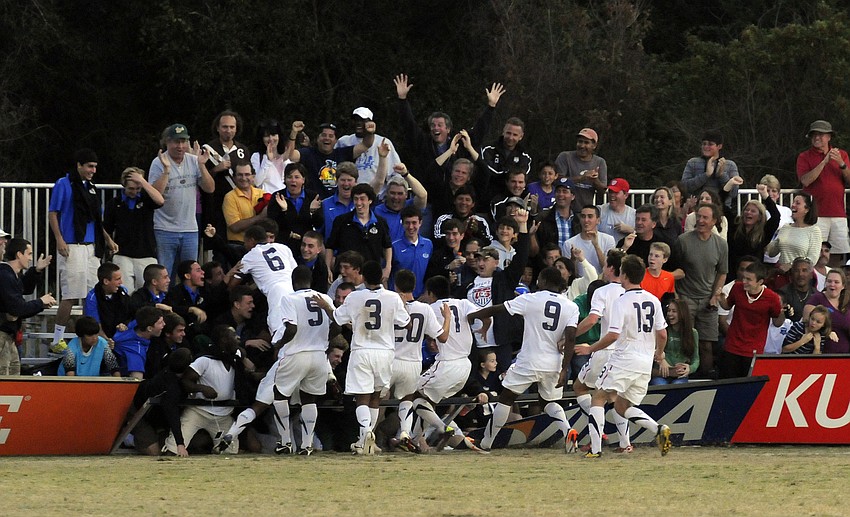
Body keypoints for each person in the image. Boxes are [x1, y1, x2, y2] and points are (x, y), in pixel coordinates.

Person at [471, 267, 580, 452]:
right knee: (549, 403)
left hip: (529, 360)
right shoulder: (571, 306)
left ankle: (486, 442)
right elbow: (570, 338)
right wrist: (564, 369)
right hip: (553, 363)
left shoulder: (531, 299)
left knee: (506, 398)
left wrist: (473, 315)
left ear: (543, 280)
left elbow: (500, 309)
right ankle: (567, 430)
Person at [575, 254, 671, 458]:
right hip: (645, 363)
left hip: (624, 358)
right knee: (621, 405)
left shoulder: (622, 301)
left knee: (598, 398)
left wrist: (590, 349)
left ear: (624, 275)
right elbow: (662, 333)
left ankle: (595, 449)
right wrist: (659, 353)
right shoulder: (653, 300)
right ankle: (658, 429)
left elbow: (613, 335)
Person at [312, 260, 411, 455]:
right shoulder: (392, 297)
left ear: (363, 277)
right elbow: (406, 324)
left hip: (362, 350)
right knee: (375, 396)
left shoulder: (355, 297)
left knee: (361, 398)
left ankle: (365, 433)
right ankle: (366, 439)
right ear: (382, 277)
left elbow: (338, 318)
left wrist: (326, 306)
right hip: (385, 352)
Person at [48, 148, 115, 351]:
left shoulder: (91, 187)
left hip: (91, 247)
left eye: (95, 166)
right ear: (79, 165)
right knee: (70, 294)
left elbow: (96, 219)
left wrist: (108, 239)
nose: (93, 170)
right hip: (72, 245)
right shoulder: (63, 183)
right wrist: (59, 239)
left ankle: (89, 337)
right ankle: (56, 339)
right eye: (89, 166)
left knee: (91, 296)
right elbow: (53, 213)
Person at [391, 272, 451, 452]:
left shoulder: (391, 304)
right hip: (412, 361)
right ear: (414, 286)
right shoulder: (425, 309)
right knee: (408, 399)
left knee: (374, 399)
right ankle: (404, 433)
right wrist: (447, 318)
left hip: (390, 360)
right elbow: (443, 337)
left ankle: (368, 435)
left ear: (396, 286)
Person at [464, 209, 530, 373]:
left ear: (496, 262)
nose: (481, 262)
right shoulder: (467, 284)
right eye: (478, 259)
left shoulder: (504, 280)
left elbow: (521, 257)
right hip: (474, 343)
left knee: (505, 382)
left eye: (485, 259)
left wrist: (522, 225)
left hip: (501, 342)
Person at [148, 124, 215, 282]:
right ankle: (162, 304)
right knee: (165, 274)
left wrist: (202, 165)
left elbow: (210, 188)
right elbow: (154, 194)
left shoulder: (194, 161)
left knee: (191, 274)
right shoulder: (158, 162)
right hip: (164, 228)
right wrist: (166, 170)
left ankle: (189, 304)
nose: (180, 146)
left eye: (183, 141)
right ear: (167, 142)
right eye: (175, 142)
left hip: (190, 228)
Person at [163, 325, 243, 456]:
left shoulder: (235, 358)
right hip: (199, 411)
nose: (237, 338)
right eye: (233, 336)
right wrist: (201, 388)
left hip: (224, 414)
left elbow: (242, 356)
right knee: (173, 451)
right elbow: (185, 381)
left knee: (229, 453)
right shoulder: (204, 360)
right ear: (223, 340)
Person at [674, 202, 728, 378]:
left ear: (714, 221)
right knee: (685, 341)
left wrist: (715, 295)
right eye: (698, 216)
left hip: (708, 299)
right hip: (686, 297)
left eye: (705, 217)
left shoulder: (721, 244)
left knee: (707, 343)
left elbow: (722, 272)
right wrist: (677, 298)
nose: (700, 220)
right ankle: (682, 377)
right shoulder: (683, 241)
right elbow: (674, 270)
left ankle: (706, 378)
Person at [796, 120, 850, 267]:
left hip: (838, 213)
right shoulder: (804, 157)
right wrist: (824, 162)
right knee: (814, 253)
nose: (816, 138)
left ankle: (835, 285)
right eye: (814, 135)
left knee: (838, 254)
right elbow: (805, 180)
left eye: (820, 134)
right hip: (816, 214)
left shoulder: (842, 155)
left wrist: (841, 163)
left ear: (829, 137)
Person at [716, 261, 783, 379]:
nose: (744, 282)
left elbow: (777, 323)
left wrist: (782, 312)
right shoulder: (737, 288)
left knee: (745, 386)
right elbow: (727, 305)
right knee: (726, 383)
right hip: (732, 346)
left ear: (760, 282)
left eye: (749, 279)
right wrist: (721, 298)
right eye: (744, 278)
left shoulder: (772, 298)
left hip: (753, 350)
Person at [103, 167, 164, 290]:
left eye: (138, 188)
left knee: (147, 290)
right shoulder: (114, 203)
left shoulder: (146, 200)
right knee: (125, 290)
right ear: (124, 185)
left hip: (146, 253)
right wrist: (110, 244)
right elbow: (106, 228)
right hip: (123, 253)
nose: (134, 192)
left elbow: (160, 201)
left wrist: (143, 181)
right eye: (131, 188)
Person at [0, 238, 55, 375]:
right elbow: (17, 308)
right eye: (29, 254)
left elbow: (24, 288)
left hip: (9, 337)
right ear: (19, 254)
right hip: (2, 336)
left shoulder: (11, 275)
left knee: (13, 379)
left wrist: (36, 270)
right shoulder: (5, 275)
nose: (30, 258)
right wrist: (41, 302)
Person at [238, 225, 298, 343]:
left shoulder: (249, 256)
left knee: (279, 336)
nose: (244, 246)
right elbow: (296, 272)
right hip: (293, 290)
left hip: (276, 292)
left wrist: (231, 273)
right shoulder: (283, 247)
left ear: (251, 240)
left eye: (245, 242)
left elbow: (232, 284)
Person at [201, 110, 251, 244]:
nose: (228, 130)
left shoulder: (242, 150)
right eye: (224, 127)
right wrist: (216, 169)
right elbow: (200, 180)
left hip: (238, 206)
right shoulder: (207, 149)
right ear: (217, 128)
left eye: (232, 127)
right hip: (215, 206)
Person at [326, 183, 392, 283]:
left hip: (371, 278)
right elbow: (330, 246)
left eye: (362, 199)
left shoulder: (380, 223)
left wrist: (388, 267)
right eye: (356, 199)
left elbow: (387, 246)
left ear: (370, 200)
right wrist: (328, 268)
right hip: (346, 277)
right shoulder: (341, 221)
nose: (358, 202)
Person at [291, 121, 365, 198]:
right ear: (317, 138)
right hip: (314, 203)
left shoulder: (342, 153)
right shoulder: (308, 153)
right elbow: (291, 156)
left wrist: (369, 131)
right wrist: (294, 133)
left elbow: (366, 145)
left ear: (336, 140)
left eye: (331, 136)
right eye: (323, 135)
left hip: (338, 203)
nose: (327, 138)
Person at [723, 181, 781, 274]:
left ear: (760, 217)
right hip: (732, 273)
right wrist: (729, 185)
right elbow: (721, 205)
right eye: (746, 210)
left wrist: (765, 196)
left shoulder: (763, 232)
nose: (748, 212)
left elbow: (776, 216)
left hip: (754, 275)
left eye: (753, 211)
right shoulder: (735, 225)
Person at [335, 107, 396, 193]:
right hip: (348, 196)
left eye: (363, 120)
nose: (359, 123)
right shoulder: (344, 142)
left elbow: (394, 174)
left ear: (371, 122)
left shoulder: (383, 142)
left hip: (377, 197)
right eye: (356, 120)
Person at [267, 162, 321, 256]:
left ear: (303, 179)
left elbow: (319, 223)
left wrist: (312, 211)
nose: (293, 180)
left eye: (297, 177)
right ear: (285, 179)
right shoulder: (277, 196)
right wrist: (284, 211)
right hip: (284, 243)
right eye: (289, 177)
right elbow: (273, 225)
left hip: (306, 245)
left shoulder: (312, 197)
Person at [680, 129, 741, 208]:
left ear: (719, 146)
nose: (706, 147)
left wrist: (721, 175)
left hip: (721, 209)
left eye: (710, 144)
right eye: (704, 144)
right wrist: (706, 175)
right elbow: (684, 187)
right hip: (697, 209)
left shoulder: (730, 165)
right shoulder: (693, 162)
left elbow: (734, 193)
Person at [765, 192, 821, 271]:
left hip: (801, 274)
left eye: (798, 203)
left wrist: (791, 265)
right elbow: (772, 252)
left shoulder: (814, 231)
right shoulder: (786, 227)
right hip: (782, 273)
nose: (793, 205)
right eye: (793, 202)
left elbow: (812, 259)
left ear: (807, 209)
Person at [480, 118, 532, 202]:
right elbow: (488, 171)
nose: (511, 137)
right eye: (508, 133)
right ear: (503, 132)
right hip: (486, 198)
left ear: (521, 136)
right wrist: (508, 173)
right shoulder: (488, 149)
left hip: (513, 202)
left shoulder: (524, 156)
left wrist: (504, 173)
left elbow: (521, 178)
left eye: (515, 135)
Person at [555, 128, 607, 212]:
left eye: (586, 142)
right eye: (580, 141)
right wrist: (582, 178)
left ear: (594, 145)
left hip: (585, 213)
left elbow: (603, 191)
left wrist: (595, 180)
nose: (582, 146)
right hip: (564, 211)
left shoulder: (600, 162)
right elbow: (557, 181)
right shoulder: (565, 157)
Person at [373, 163, 428, 242]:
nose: (396, 197)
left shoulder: (412, 207)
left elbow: (423, 195)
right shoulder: (378, 211)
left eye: (400, 194)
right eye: (392, 193)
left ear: (406, 194)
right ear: (386, 193)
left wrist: (406, 174)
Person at [650, 299, 699, 385]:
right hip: (660, 373)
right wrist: (661, 360)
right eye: (669, 311)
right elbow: (653, 350)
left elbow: (696, 359)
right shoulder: (662, 331)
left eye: (674, 311)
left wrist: (690, 368)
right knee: (660, 384)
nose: (670, 314)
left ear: (682, 313)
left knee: (678, 386)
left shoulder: (693, 333)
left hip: (679, 374)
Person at [802, 269, 850, 354]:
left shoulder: (847, 302)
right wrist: (827, 332)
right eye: (829, 281)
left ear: (843, 286)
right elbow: (807, 324)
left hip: (845, 356)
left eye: (836, 282)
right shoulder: (816, 298)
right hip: (822, 355)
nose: (832, 284)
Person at [112, 306, 165, 379]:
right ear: (149, 328)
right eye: (160, 323)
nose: (164, 324)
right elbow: (137, 379)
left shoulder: (135, 324)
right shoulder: (136, 352)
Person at [222, 162, 268, 246]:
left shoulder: (262, 193)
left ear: (253, 176)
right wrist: (260, 217)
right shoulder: (230, 197)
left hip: (260, 244)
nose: (243, 178)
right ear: (234, 178)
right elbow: (234, 227)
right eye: (240, 175)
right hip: (238, 245)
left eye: (247, 174)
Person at [390, 207, 432, 298]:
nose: (411, 227)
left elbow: (430, 272)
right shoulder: (394, 246)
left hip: (421, 298)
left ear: (420, 223)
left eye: (414, 223)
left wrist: (426, 293)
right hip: (399, 298)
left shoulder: (428, 245)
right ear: (402, 223)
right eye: (407, 223)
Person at [532, 177, 580, 256]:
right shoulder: (543, 218)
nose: (561, 194)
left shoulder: (578, 220)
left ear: (573, 196)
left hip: (572, 264)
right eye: (558, 191)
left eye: (565, 191)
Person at [562, 205, 616, 275]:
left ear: (598, 220)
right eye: (583, 216)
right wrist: (573, 259)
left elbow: (608, 269)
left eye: (590, 216)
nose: (586, 220)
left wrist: (596, 246)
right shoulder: (569, 243)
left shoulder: (609, 240)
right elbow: (570, 274)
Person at [83, 262, 131, 339]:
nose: (121, 282)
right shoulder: (92, 298)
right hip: (104, 339)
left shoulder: (123, 291)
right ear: (106, 281)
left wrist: (125, 324)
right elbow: (95, 326)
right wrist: (107, 341)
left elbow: (131, 314)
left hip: (124, 336)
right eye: (117, 279)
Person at [164, 260, 209, 332]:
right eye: (198, 270)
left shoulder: (205, 290)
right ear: (187, 276)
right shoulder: (175, 292)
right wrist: (190, 309)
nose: (203, 272)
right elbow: (170, 308)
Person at [251, 119, 291, 194]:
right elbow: (256, 182)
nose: (271, 139)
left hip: (283, 199)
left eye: (273, 135)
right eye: (266, 136)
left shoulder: (284, 156)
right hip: (265, 200)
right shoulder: (257, 156)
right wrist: (268, 160)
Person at [776, 257, 816, 323]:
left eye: (804, 270)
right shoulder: (783, 293)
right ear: (791, 274)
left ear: (811, 275)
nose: (800, 274)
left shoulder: (816, 295)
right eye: (797, 271)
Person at [597, 178, 635, 243]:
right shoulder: (599, 210)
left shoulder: (634, 214)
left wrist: (631, 230)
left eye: (616, 192)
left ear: (625, 195)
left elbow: (644, 235)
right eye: (610, 191)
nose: (612, 195)